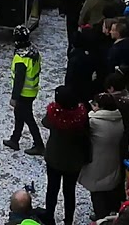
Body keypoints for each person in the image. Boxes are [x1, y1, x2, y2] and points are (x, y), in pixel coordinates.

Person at [41, 85, 89, 225]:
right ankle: (68, 220)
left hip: (54, 158)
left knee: (52, 189)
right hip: (73, 161)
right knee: (69, 192)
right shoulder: (81, 115)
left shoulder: (54, 114)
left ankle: (49, 216)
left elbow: (45, 123)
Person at [79, 94, 125, 219]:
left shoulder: (94, 122)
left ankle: (101, 217)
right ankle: (111, 212)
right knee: (109, 187)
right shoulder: (118, 119)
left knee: (97, 191)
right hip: (113, 159)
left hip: (96, 161)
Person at [5, 26, 45, 155]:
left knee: (28, 118)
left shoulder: (21, 58)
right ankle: (14, 139)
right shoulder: (33, 51)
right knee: (19, 116)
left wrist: (14, 97)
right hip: (32, 91)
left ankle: (39, 145)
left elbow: (19, 81)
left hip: (23, 94)